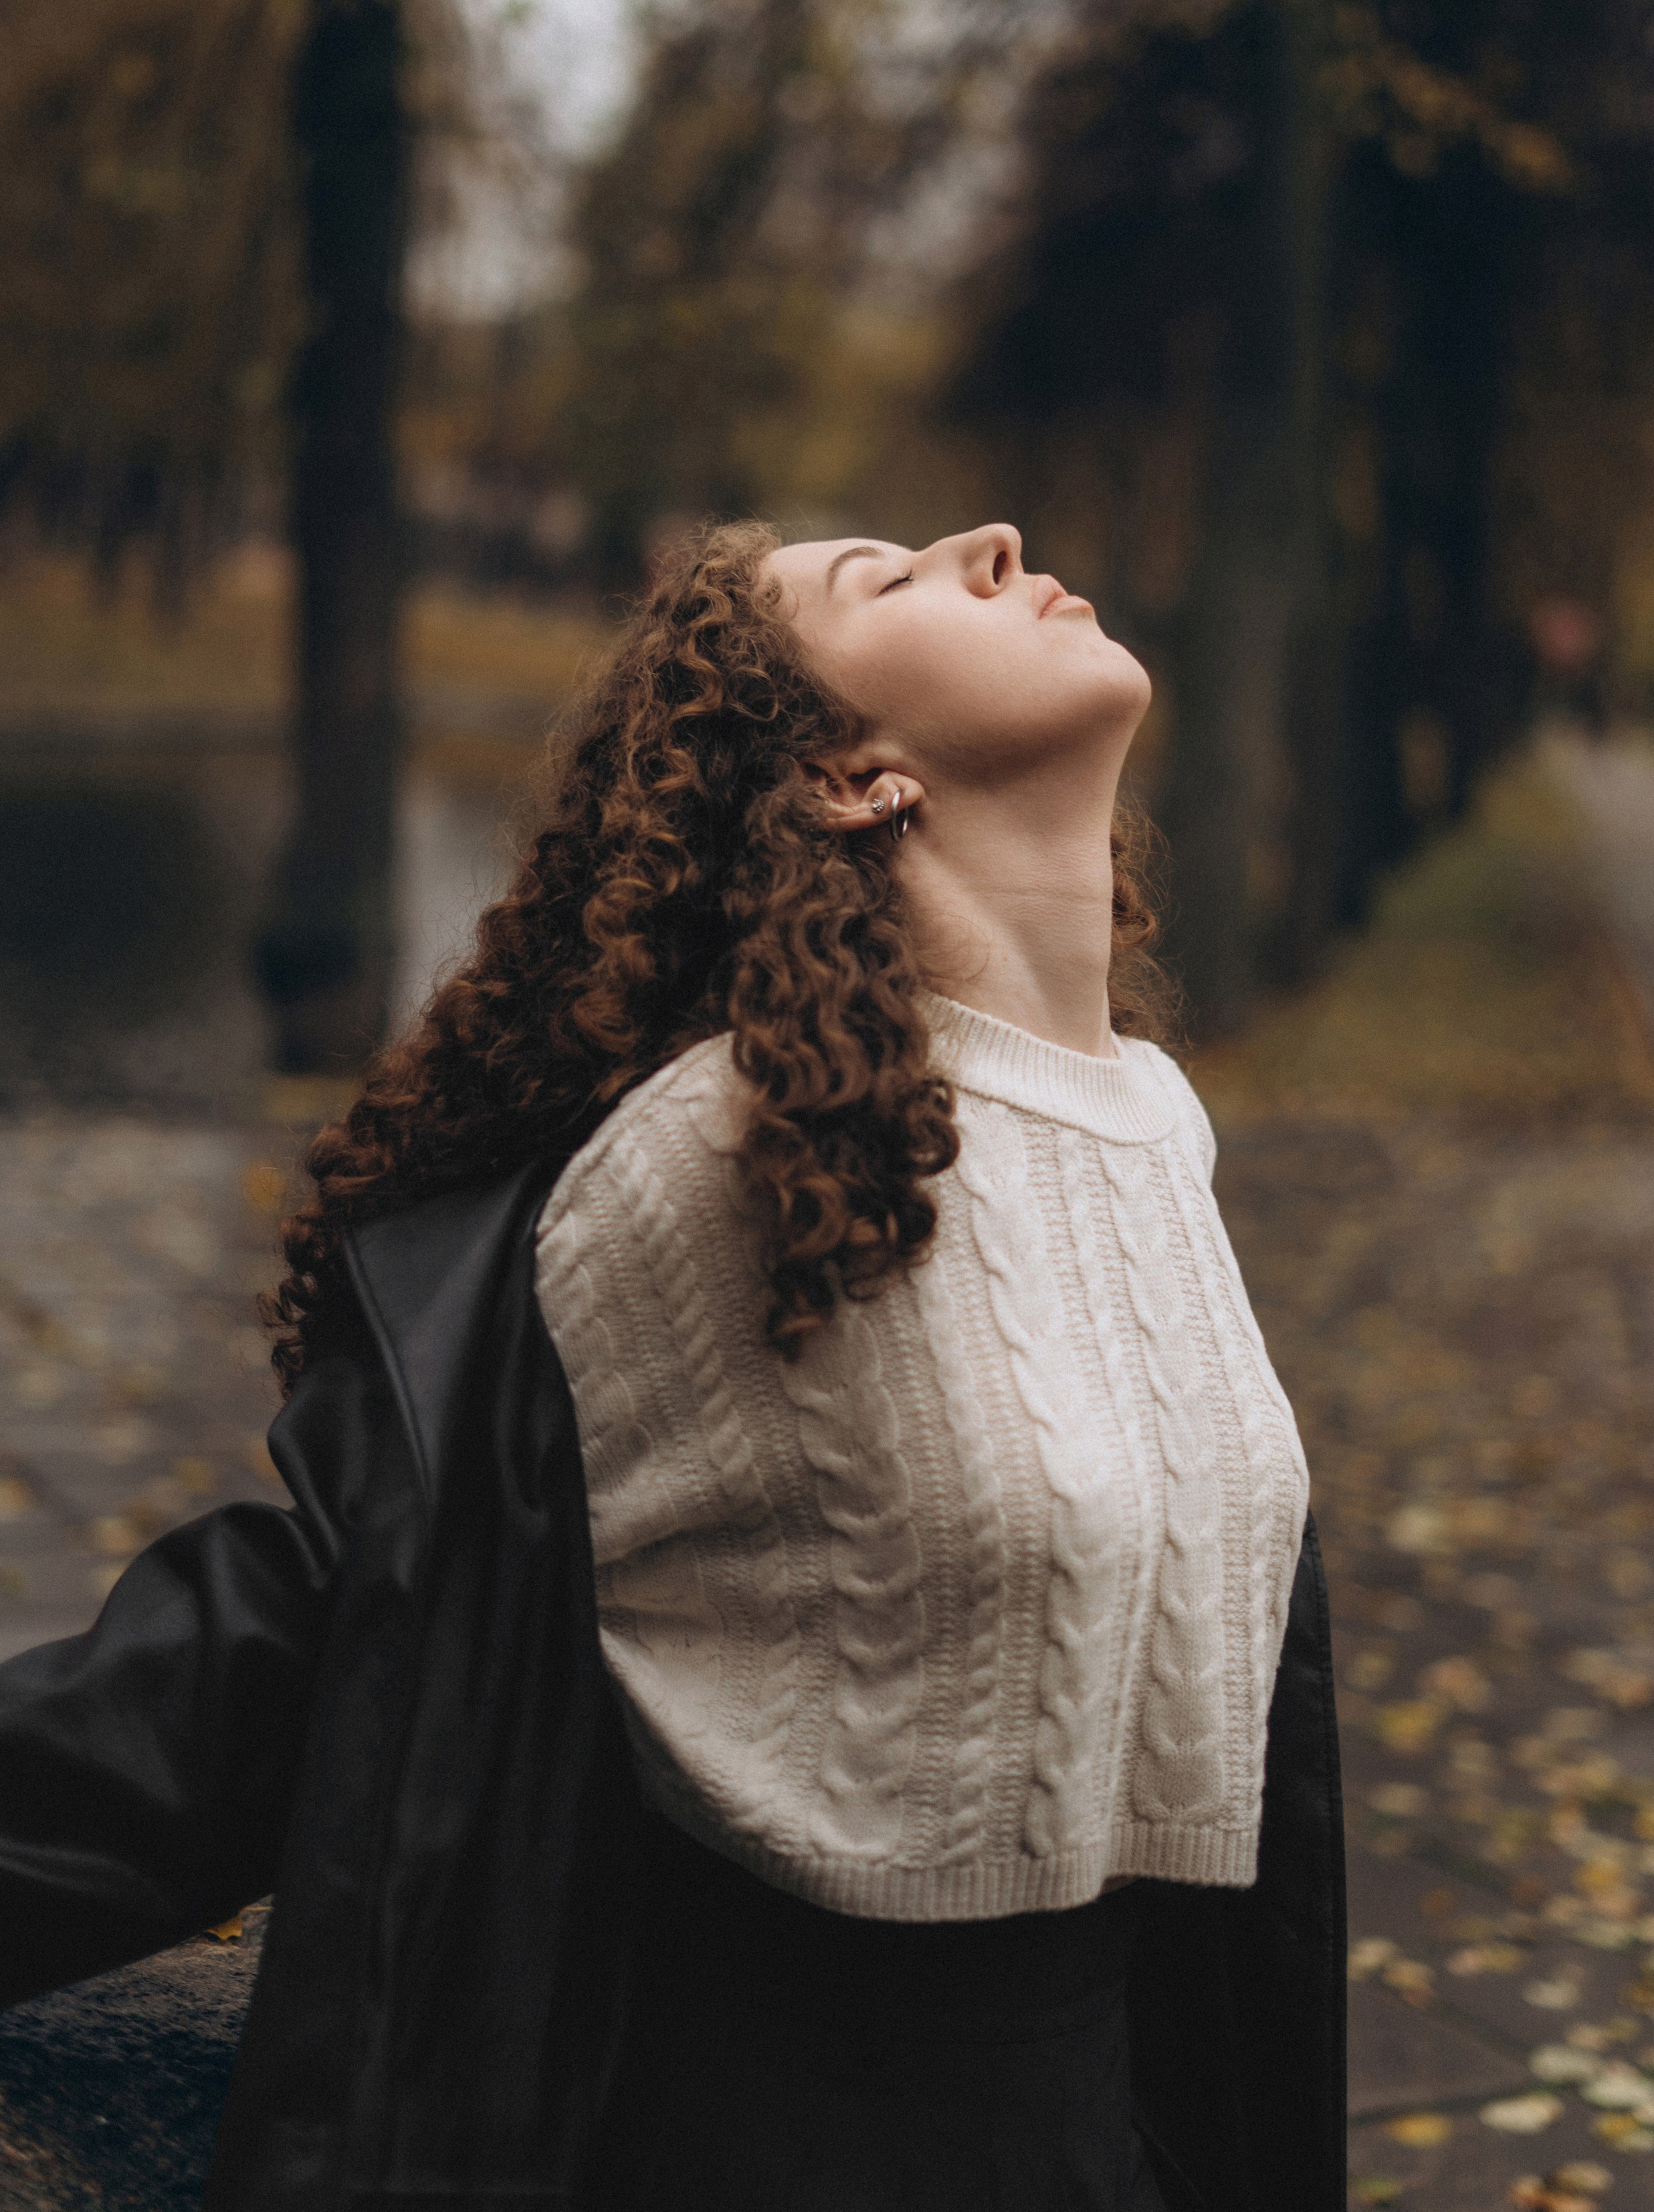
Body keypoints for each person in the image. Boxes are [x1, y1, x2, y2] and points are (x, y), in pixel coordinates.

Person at [0, 521, 1345, 2211]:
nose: (990, 540)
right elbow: (313, 1630)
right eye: (892, 578)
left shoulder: (1153, 1129)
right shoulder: (723, 1158)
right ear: (855, 778)